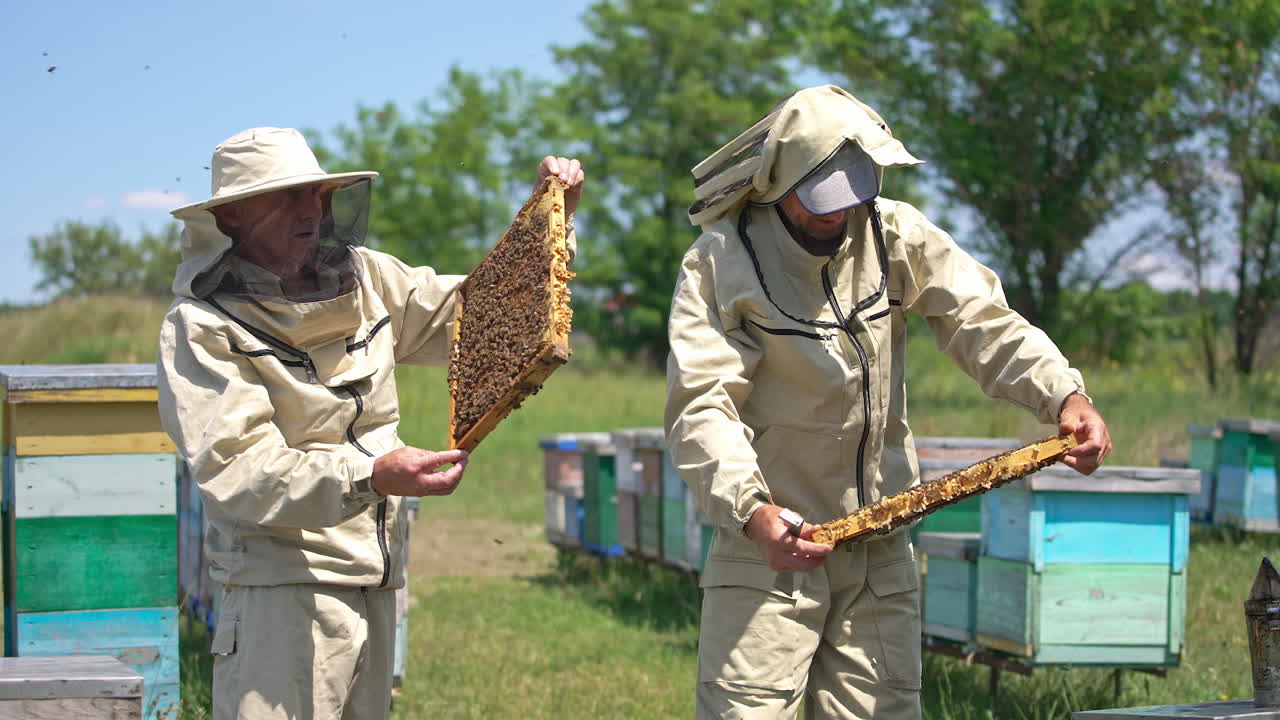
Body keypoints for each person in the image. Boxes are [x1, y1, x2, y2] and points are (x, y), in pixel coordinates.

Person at [664, 85, 1111, 719]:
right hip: (767, 551)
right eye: (821, 200)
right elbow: (702, 402)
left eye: (853, 194)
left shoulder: (894, 233)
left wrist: (1062, 392)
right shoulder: (720, 262)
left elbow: (980, 320)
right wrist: (752, 509)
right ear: (778, 183)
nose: (836, 213)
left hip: (879, 550)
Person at [157, 126, 584, 720]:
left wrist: (549, 223)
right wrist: (372, 475)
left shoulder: (368, 277)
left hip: (378, 571)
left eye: (317, 193)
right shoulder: (202, 328)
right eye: (287, 197)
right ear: (230, 216)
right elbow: (238, 470)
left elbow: (484, 316)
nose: (311, 210)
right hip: (281, 590)